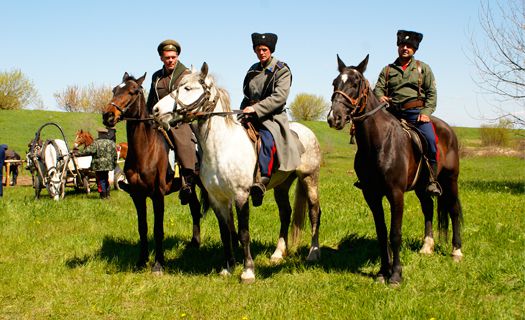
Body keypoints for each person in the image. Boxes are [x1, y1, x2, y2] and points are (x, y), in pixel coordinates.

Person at [373, 30, 441, 196]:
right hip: (392, 114)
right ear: (397, 47)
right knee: (372, 139)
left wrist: (426, 112)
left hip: (416, 113)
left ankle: (432, 180)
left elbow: (431, 93)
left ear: (415, 50)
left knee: (431, 141)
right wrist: (381, 97)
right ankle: (370, 177)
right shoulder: (387, 70)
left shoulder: (423, 69)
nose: (405, 48)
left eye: (409, 46)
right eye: (402, 45)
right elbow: (378, 89)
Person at [240, 32, 304, 207]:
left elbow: (279, 97)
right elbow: (247, 95)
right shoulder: (252, 70)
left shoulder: (282, 70)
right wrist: (241, 111)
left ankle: (263, 180)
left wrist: (256, 108)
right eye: (258, 49)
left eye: (264, 49)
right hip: (250, 113)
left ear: (270, 50)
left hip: (272, 116)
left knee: (267, 139)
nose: (261, 52)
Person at [146, 39, 197, 205]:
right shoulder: (156, 77)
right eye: (167, 57)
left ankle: (187, 181)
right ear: (161, 58)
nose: (170, 60)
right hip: (159, 120)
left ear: (178, 57)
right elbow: (152, 100)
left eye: (173, 57)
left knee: (184, 141)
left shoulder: (187, 75)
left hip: (180, 120)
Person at [76, 128, 117, 199]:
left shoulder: (96, 143)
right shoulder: (111, 143)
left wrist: (77, 153)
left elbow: (88, 151)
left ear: (100, 134)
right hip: (108, 165)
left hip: (99, 165)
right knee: (105, 178)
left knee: (101, 180)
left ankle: (103, 196)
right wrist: (114, 163)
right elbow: (115, 154)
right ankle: (107, 195)